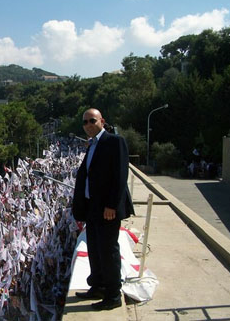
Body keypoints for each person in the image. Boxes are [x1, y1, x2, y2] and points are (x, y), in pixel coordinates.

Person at [72, 108, 134, 311]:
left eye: (92, 120)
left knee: (108, 251)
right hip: (92, 207)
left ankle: (113, 294)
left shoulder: (114, 141)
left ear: (102, 121)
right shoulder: (91, 146)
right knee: (95, 250)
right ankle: (97, 286)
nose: (88, 125)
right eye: (85, 122)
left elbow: (119, 176)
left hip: (107, 208)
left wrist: (112, 206)